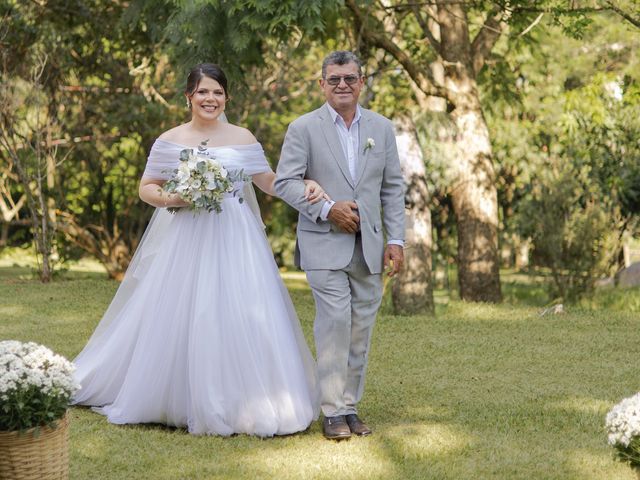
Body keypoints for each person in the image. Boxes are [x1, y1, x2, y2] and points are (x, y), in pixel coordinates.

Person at [72, 63, 323, 437]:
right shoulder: (170, 140)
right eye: (203, 92)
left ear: (227, 97)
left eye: (218, 92)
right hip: (186, 236)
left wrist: (306, 185)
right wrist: (172, 196)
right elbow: (147, 187)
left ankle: (247, 397)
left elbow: (269, 182)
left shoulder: (243, 137)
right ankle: (174, 394)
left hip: (236, 237)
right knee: (183, 310)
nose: (211, 99)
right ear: (189, 96)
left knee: (242, 310)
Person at [274, 51, 405, 440]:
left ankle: (348, 405)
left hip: (370, 247)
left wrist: (396, 239)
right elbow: (286, 182)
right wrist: (328, 208)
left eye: (349, 78)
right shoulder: (303, 128)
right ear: (322, 84)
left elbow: (392, 188)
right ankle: (331, 411)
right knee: (334, 324)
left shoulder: (381, 129)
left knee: (361, 329)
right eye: (334, 79)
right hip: (323, 244)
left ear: (361, 82)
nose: (342, 85)